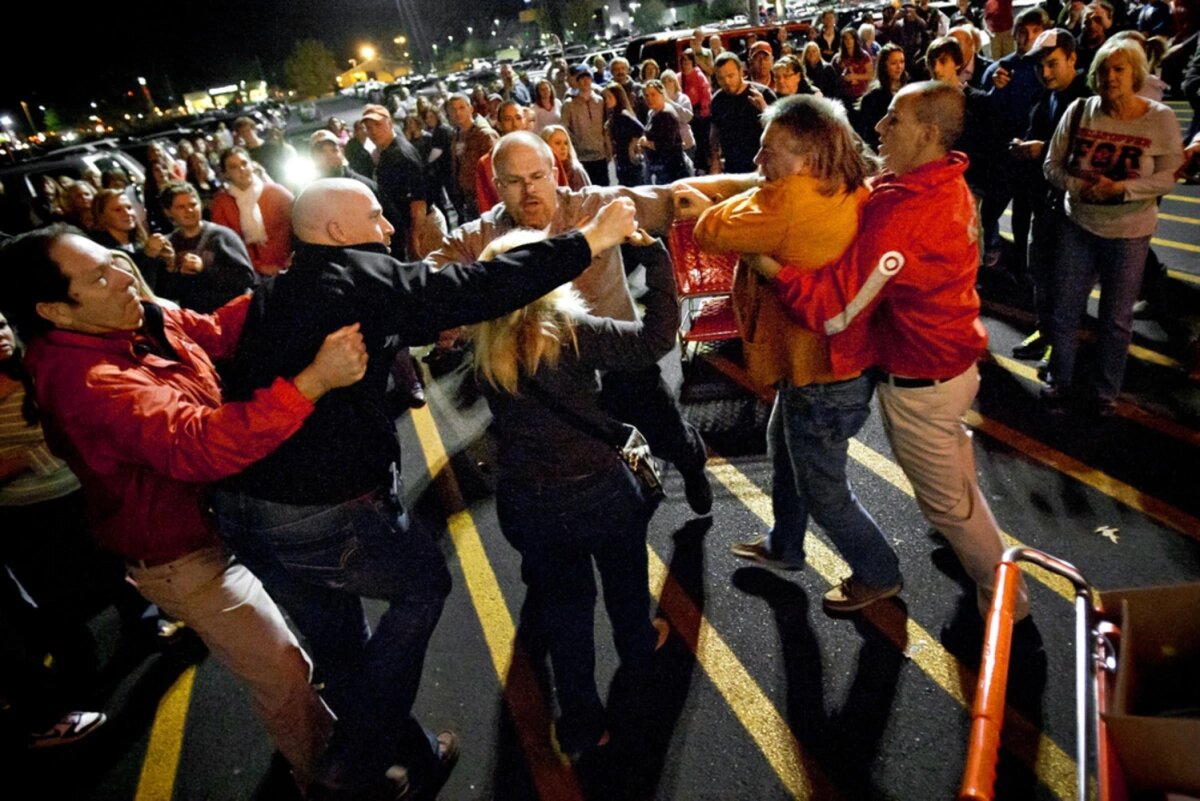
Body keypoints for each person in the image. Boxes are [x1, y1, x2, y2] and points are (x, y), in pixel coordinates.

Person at [212, 177, 640, 800]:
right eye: (376, 217)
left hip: (247, 512)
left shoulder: (277, 293)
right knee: (422, 586)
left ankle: (412, 755)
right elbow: (467, 289)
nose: (388, 229)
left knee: (341, 642)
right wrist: (589, 240)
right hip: (320, 509)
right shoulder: (351, 277)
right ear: (336, 233)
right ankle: (354, 753)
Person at [0, 225, 369, 791]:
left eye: (115, 261)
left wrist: (303, 279)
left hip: (225, 517)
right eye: (99, 276)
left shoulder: (131, 314)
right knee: (282, 672)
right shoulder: (89, 383)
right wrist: (314, 381)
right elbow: (199, 444)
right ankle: (331, 777)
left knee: (304, 644)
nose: (124, 276)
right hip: (184, 554)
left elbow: (216, 330)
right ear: (55, 310)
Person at [745, 82, 1032, 621]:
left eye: (893, 120)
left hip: (922, 380)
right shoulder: (932, 182)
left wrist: (773, 268)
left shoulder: (906, 215)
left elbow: (836, 311)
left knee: (947, 506)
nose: (878, 126)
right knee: (956, 489)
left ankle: (1006, 610)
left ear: (927, 134)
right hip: (951, 364)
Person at [677, 95, 903, 612]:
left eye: (767, 152)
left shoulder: (789, 201)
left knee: (825, 490)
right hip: (825, 364)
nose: (758, 162)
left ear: (805, 158)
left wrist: (714, 204)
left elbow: (710, 231)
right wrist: (755, 189)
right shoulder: (841, 180)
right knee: (784, 449)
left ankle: (879, 571)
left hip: (822, 378)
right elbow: (757, 197)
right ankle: (785, 544)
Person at [429, 132, 720, 516]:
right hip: (553, 376)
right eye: (514, 181)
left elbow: (675, 197)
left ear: (555, 172)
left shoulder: (594, 206)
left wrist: (747, 194)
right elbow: (430, 276)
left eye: (536, 176)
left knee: (669, 436)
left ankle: (690, 463)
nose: (528, 190)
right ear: (497, 185)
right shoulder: (483, 234)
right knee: (592, 465)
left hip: (622, 356)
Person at [471, 227, 674, 756]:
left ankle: (582, 723)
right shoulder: (570, 332)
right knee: (625, 581)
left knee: (566, 611)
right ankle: (636, 645)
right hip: (599, 490)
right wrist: (655, 257)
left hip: (530, 500)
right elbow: (656, 339)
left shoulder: (486, 341)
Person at [1042, 36, 1184, 416]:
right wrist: (1082, 187)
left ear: (1135, 73)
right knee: (1065, 308)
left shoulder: (1159, 118)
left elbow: (1170, 177)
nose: (1110, 76)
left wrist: (1121, 190)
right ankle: (1060, 378)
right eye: (1103, 69)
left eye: (1119, 69)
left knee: (1116, 320)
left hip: (1129, 232)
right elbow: (1051, 165)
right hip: (1079, 224)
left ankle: (1105, 393)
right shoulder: (1080, 110)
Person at [1009, 29, 1092, 365]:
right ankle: (1046, 334)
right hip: (1044, 203)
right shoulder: (1046, 96)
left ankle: (1062, 353)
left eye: (1053, 64)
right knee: (1042, 276)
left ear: (1073, 58)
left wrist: (1043, 151)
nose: (1045, 72)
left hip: (1073, 210)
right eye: (1040, 65)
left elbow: (1093, 155)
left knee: (1067, 286)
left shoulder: (1087, 100)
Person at [161, 183, 257, 313]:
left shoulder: (222, 236)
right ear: (168, 212)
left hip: (230, 314)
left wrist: (205, 268)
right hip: (196, 320)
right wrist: (175, 273)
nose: (189, 210)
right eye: (181, 207)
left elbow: (246, 277)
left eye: (192, 205)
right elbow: (165, 292)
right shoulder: (169, 244)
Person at [210, 147, 294, 277]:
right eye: (233, 167)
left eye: (244, 163)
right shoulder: (221, 203)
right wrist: (258, 266)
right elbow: (227, 244)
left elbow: (301, 225)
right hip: (249, 271)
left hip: (289, 264)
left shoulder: (276, 192)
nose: (242, 170)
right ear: (226, 174)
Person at [360, 104, 429, 260]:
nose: (373, 132)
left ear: (390, 123)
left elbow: (418, 203)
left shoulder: (400, 154)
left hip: (418, 229)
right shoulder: (385, 152)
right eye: (369, 128)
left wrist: (414, 241)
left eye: (378, 125)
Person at [89, 189, 175, 295]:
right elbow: (136, 291)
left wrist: (169, 265)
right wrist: (149, 257)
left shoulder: (140, 244)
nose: (127, 213)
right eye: (117, 210)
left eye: (129, 208)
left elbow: (165, 290)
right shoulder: (102, 252)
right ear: (101, 216)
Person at [710, 52, 777, 174]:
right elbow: (715, 131)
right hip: (732, 167)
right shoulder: (718, 100)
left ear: (741, 72)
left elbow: (780, 130)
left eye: (731, 76)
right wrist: (715, 159)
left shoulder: (762, 94)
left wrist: (764, 109)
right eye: (721, 78)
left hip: (761, 166)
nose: (727, 82)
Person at [446, 94, 499, 223]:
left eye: (461, 108)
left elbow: (495, 167)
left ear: (470, 109)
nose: (458, 113)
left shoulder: (483, 134)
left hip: (485, 196)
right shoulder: (456, 135)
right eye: (453, 109)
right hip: (467, 196)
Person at [563, 66, 610, 187]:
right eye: (581, 78)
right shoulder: (569, 104)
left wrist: (608, 149)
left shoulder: (600, 101)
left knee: (604, 188)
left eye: (588, 77)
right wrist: (575, 144)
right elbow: (565, 128)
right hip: (582, 155)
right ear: (577, 82)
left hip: (600, 154)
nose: (585, 81)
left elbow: (606, 125)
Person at [639, 80, 692, 184]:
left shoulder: (666, 114)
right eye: (647, 95)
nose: (649, 99)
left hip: (671, 169)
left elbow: (666, 144)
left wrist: (646, 143)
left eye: (653, 94)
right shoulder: (652, 112)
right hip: (659, 167)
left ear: (662, 94)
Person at [858, 44, 909, 148]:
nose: (899, 67)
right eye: (894, 63)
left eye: (902, 62)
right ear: (884, 65)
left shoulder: (909, 91)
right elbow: (869, 135)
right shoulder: (872, 98)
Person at [604, 82, 646, 187]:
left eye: (610, 97)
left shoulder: (624, 114)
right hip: (621, 160)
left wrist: (632, 146)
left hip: (630, 162)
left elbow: (640, 129)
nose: (607, 100)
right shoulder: (614, 116)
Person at [679, 49, 713, 170]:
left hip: (700, 114)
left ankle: (703, 166)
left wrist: (703, 112)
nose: (685, 64)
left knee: (701, 142)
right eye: (683, 62)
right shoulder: (680, 77)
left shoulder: (699, 76)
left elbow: (706, 94)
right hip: (686, 113)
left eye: (688, 61)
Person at [541, 125, 592, 191]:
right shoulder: (540, 170)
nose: (563, 148)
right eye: (558, 143)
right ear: (546, 145)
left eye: (566, 143)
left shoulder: (575, 171)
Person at [833, 26, 875, 100]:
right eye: (846, 39)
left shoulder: (864, 55)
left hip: (861, 94)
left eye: (851, 38)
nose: (848, 41)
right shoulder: (838, 58)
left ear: (855, 39)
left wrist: (855, 76)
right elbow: (833, 76)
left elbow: (870, 75)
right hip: (844, 95)